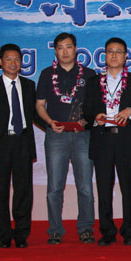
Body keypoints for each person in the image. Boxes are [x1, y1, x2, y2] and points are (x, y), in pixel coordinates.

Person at [36, 33, 97, 245]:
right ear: (55, 51)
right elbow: (39, 105)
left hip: (82, 136)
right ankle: (54, 230)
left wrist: (86, 120)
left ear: (76, 49)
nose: (65, 51)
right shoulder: (46, 74)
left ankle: (86, 228)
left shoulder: (89, 74)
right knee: (54, 187)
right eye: (60, 47)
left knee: (85, 187)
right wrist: (49, 122)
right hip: (56, 135)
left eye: (68, 46)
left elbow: (95, 106)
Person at [83, 37, 131, 246]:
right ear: (104, 55)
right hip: (102, 140)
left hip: (126, 140)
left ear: (126, 56)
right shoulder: (93, 82)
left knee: (129, 187)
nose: (114, 55)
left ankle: (129, 232)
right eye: (110, 51)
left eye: (119, 51)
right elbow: (86, 109)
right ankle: (107, 231)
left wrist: (130, 111)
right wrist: (96, 116)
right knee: (103, 188)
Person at [0, 44, 37, 248]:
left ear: (21, 62)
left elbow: (35, 114)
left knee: (23, 191)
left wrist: (54, 123)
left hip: (22, 142)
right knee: (0, 191)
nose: (13, 63)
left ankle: (21, 235)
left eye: (17, 59)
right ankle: (3, 236)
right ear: (0, 62)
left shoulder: (29, 85)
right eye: (8, 59)